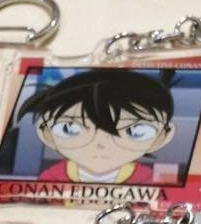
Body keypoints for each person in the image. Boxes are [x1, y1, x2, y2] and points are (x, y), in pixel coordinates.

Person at [17, 69, 176, 184]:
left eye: (135, 131)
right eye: (69, 129)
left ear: (162, 137)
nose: (100, 145)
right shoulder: (52, 177)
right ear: (46, 133)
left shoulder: (146, 179)